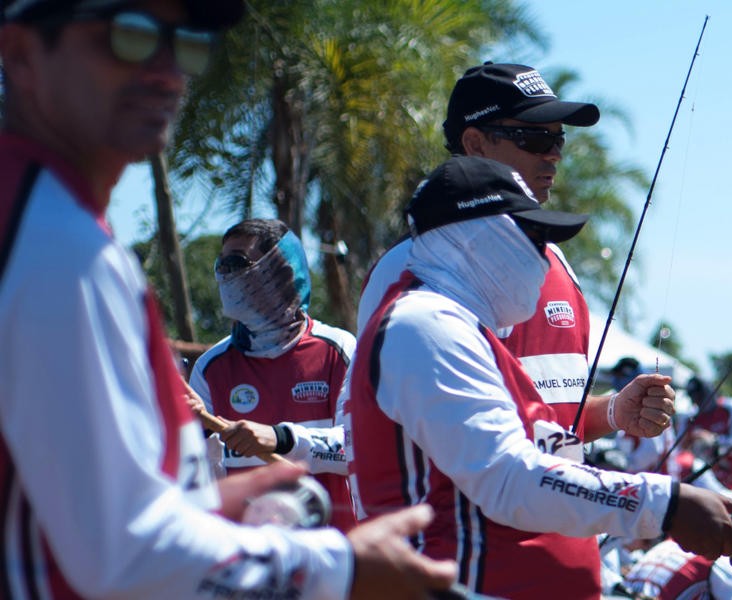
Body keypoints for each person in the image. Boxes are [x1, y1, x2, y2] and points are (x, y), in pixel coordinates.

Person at [0, 0, 453, 597]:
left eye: (184, 41)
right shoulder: (57, 247)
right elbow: (128, 554)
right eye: (129, 35)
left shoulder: (56, 227)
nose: (167, 70)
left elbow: (88, 507)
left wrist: (206, 506)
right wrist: (339, 568)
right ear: (22, 55)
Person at [344, 155, 732, 599]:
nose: (543, 256)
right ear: (475, 240)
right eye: (533, 236)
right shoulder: (423, 325)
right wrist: (664, 505)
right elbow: (508, 478)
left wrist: (612, 413)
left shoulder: (462, 329)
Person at [358, 62, 604, 440]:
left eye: (559, 139)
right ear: (474, 144)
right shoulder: (403, 268)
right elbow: (381, 428)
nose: (553, 154)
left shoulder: (556, 259)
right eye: (534, 138)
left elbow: (556, 420)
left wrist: (616, 413)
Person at [188, 218, 355, 528]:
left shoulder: (339, 350)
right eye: (220, 264)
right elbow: (201, 482)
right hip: (254, 562)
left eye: (237, 262)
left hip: (336, 552)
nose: (225, 273)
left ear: (282, 271)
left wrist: (281, 439)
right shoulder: (211, 368)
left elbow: (358, 451)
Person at [683, 376, 732, 489]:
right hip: (704, 485)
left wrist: (714, 441)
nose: (696, 401)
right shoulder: (690, 418)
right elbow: (680, 450)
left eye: (700, 395)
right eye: (693, 397)